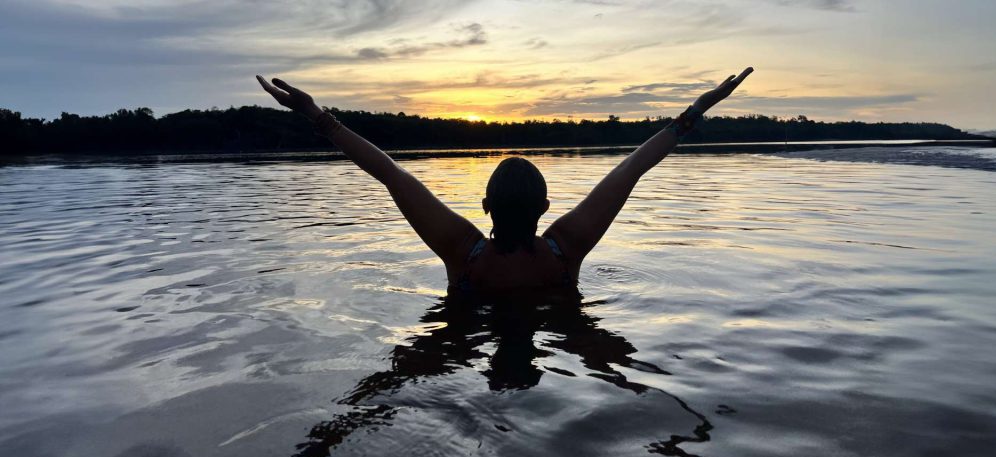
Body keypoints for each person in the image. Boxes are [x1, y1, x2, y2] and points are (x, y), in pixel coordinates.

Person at [257, 67, 753, 295]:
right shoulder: (568, 246)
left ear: (484, 206)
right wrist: (699, 109)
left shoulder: (460, 249)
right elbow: (632, 168)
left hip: (463, 342)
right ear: (546, 207)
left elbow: (388, 172)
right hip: (562, 337)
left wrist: (316, 115)